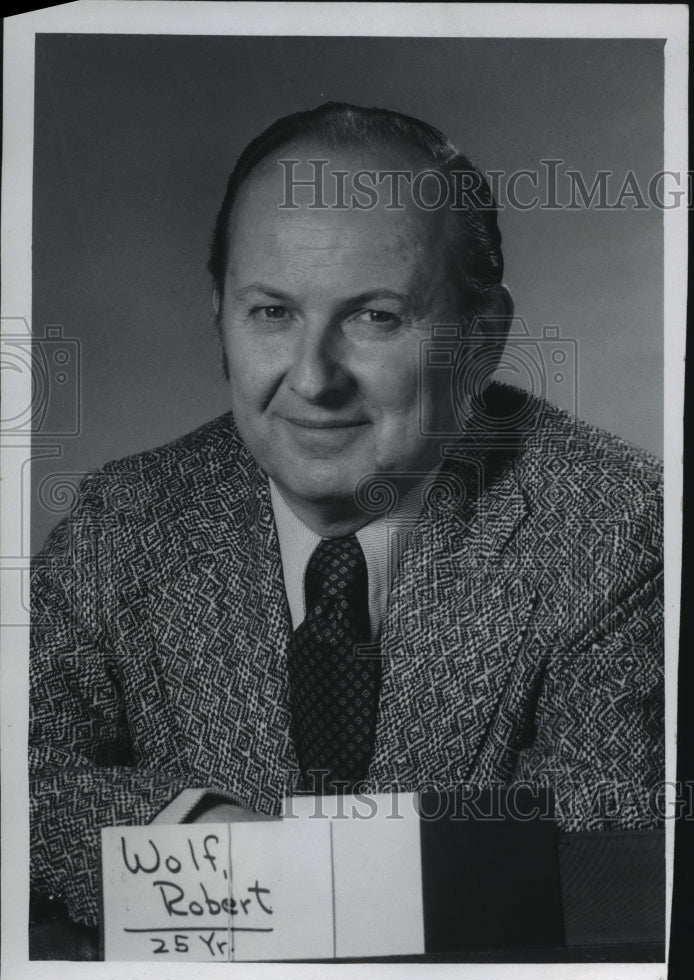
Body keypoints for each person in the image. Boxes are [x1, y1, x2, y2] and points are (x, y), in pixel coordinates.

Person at [29, 102, 663, 932]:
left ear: (482, 339)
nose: (314, 378)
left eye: (375, 317)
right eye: (272, 312)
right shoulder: (123, 522)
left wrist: (273, 885)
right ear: (218, 315)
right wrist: (211, 838)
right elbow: (21, 776)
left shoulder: (613, 525)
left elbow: (600, 847)